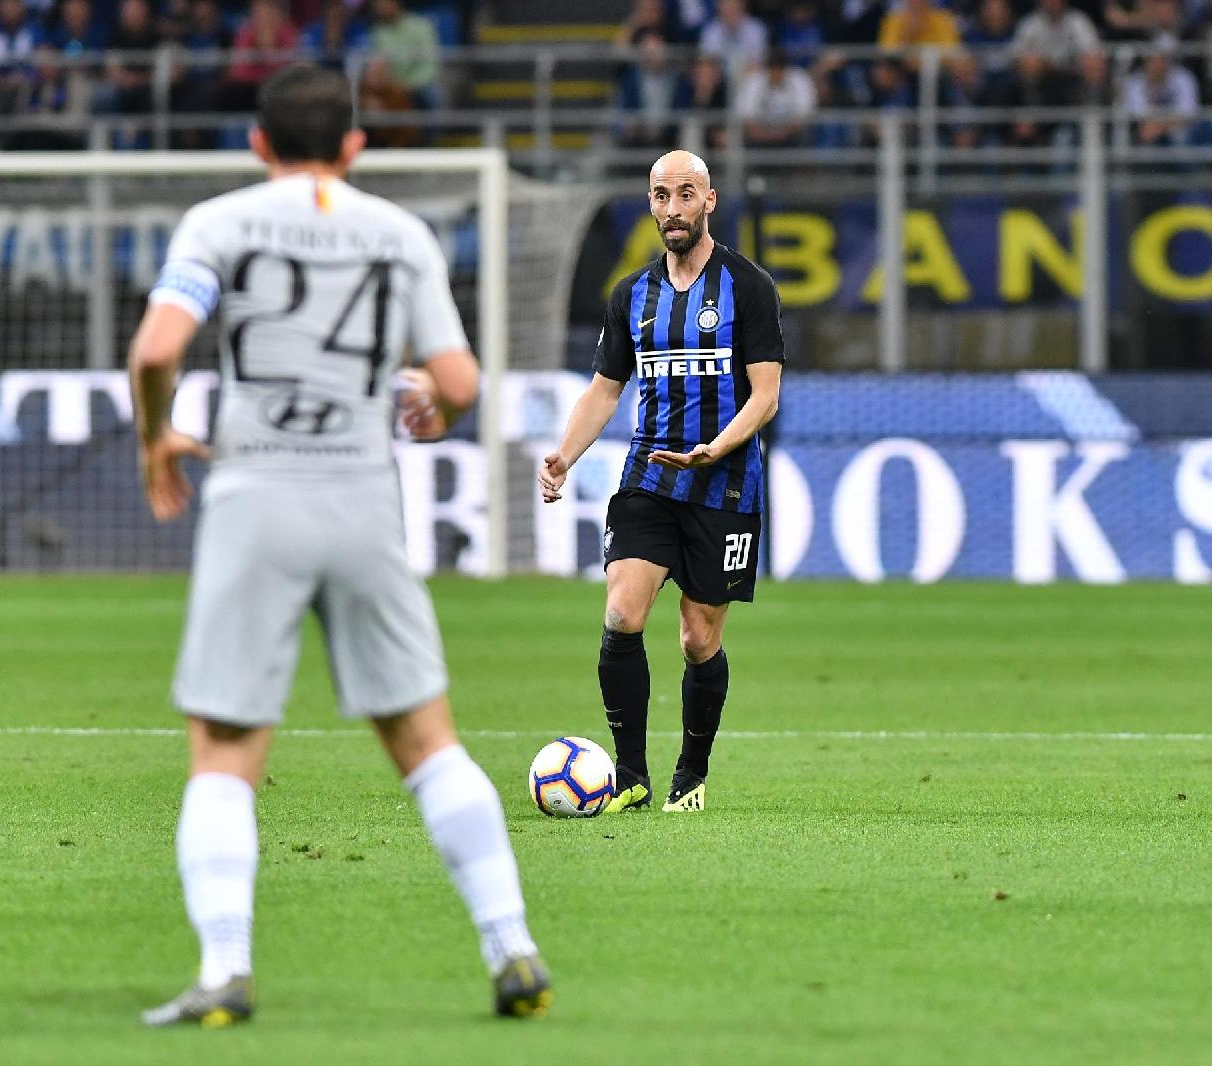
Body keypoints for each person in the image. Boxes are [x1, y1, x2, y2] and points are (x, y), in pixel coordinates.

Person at [129, 63, 551, 1028]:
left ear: (258, 143)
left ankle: (226, 968)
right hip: (363, 498)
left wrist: (156, 435)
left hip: (255, 494)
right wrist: (431, 403)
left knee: (226, 749)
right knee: (426, 741)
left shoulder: (219, 223)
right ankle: (512, 946)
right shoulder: (400, 234)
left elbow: (156, 349)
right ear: (355, 145)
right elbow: (456, 376)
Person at [538, 150, 783, 815]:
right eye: (659, 196)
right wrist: (564, 455)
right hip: (648, 477)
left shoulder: (748, 287)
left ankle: (691, 775)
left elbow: (765, 397)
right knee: (622, 612)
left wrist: (715, 450)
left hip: (724, 484)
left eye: (684, 195)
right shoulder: (632, 296)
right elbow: (603, 390)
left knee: (699, 638)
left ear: (708, 201)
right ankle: (631, 777)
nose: (671, 209)